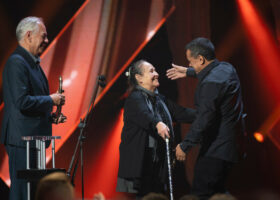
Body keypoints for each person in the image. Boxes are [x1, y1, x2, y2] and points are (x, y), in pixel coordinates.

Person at [166, 37, 244, 199]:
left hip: (216, 149)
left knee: (201, 194)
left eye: (190, 62)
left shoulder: (210, 84)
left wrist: (185, 145)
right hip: (232, 148)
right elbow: (213, 74)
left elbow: (204, 119)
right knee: (218, 193)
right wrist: (189, 72)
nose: (189, 65)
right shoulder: (227, 68)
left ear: (201, 59)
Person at [1, 17, 66, 200]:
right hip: (22, 141)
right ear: (28, 36)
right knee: (22, 193)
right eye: (43, 36)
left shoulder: (31, 63)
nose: (46, 41)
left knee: (34, 192)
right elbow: (21, 102)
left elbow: (31, 103)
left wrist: (50, 116)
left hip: (34, 140)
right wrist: (51, 99)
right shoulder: (16, 62)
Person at [116, 60, 196, 199]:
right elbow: (144, 114)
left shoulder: (160, 100)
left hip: (159, 165)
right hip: (144, 165)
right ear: (139, 78)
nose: (157, 74)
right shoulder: (134, 98)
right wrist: (158, 123)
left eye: (156, 70)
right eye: (151, 71)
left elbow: (181, 113)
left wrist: (206, 115)